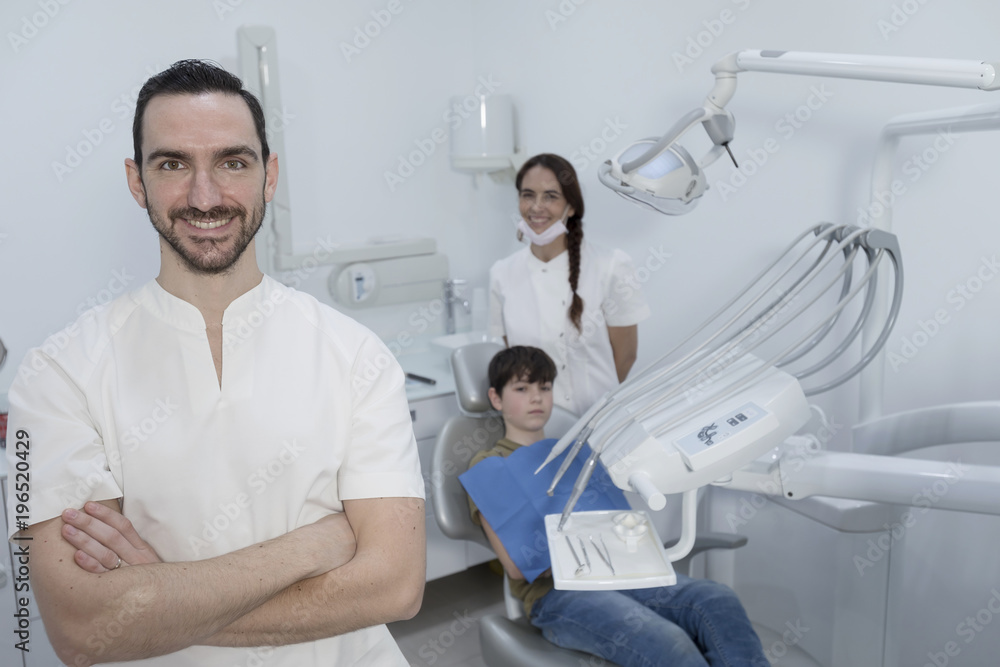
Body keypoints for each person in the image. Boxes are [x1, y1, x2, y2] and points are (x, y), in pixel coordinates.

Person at [5, 60, 426, 667]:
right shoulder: (57, 375)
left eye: (232, 162)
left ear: (268, 176)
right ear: (137, 182)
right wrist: (315, 545)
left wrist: (159, 601)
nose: (205, 197)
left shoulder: (356, 355)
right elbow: (81, 626)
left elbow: (395, 587)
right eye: (172, 165)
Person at [466, 346, 769, 667]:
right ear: (496, 398)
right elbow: (517, 566)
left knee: (717, 599)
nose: (537, 398)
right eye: (522, 389)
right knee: (668, 641)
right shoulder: (489, 466)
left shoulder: (577, 453)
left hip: (622, 572)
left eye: (545, 387)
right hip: (556, 593)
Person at [489, 153, 651, 416]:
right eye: (528, 195)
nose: (536, 207)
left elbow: (626, 356)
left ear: (571, 207)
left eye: (550, 196)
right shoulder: (501, 274)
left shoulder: (611, 266)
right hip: (536, 426)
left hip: (597, 420)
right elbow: (514, 358)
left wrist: (594, 409)